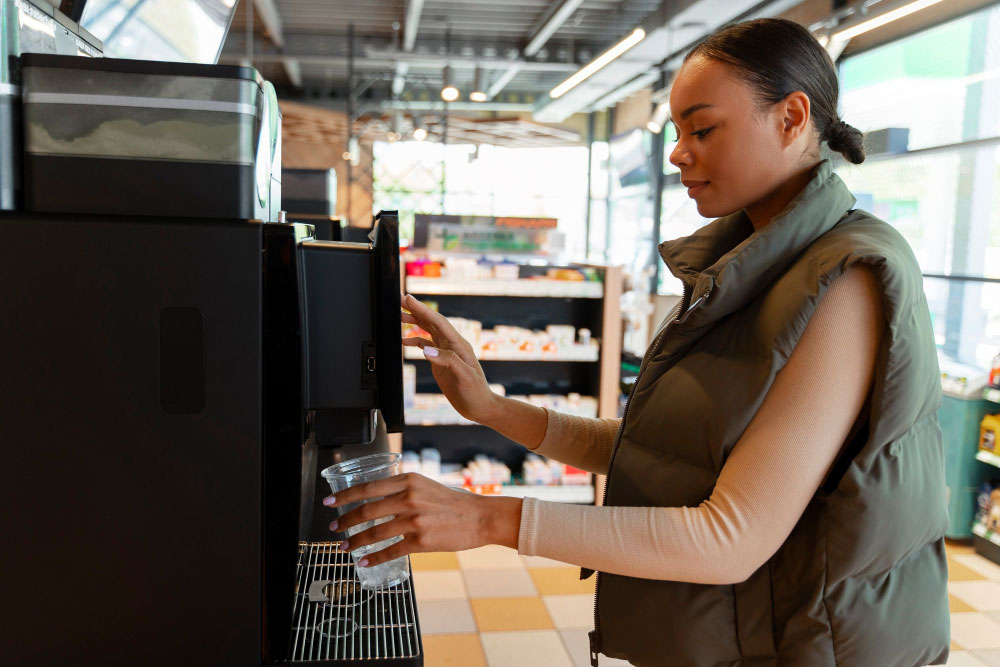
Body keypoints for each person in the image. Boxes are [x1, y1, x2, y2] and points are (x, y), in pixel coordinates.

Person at [324, 18, 950, 667]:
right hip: (732, 632)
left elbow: (728, 536)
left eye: (702, 129)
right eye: (676, 131)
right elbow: (662, 455)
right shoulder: (748, 262)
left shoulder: (844, 277)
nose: (677, 153)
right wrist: (491, 407)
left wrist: (487, 518)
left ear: (792, 118)